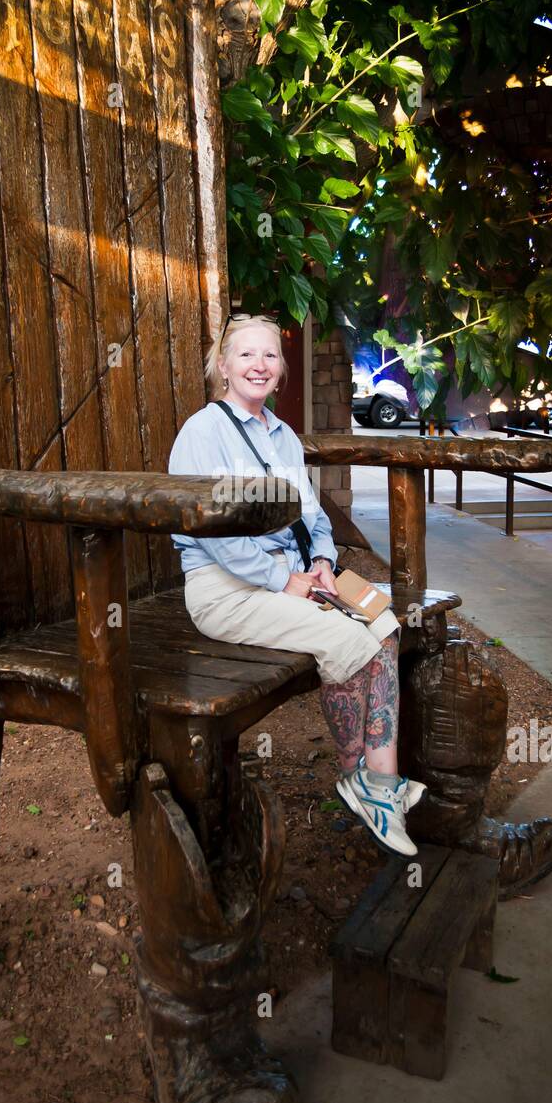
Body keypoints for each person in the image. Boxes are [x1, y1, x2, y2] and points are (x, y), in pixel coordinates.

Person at [167, 313, 426, 857]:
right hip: (224, 589)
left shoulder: (282, 436)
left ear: (282, 369)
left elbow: (311, 515)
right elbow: (214, 534)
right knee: (352, 641)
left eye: (270, 356)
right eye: (246, 354)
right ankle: (368, 784)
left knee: (384, 624)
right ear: (222, 365)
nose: (259, 365)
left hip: (291, 576)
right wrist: (284, 579)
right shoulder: (202, 432)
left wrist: (324, 561)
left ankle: (374, 784)